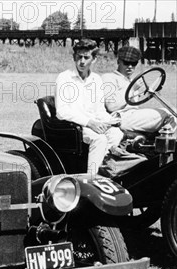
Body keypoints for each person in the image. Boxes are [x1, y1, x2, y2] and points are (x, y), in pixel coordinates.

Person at [55, 39, 123, 176]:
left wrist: (110, 120)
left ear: (94, 59)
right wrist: (90, 123)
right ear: (74, 57)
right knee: (100, 139)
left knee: (117, 133)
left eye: (86, 57)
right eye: (79, 57)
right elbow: (62, 112)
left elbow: (99, 110)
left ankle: (104, 171)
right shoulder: (64, 78)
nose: (82, 61)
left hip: (92, 124)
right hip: (73, 127)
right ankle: (91, 179)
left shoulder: (96, 79)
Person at [102, 45, 176, 135]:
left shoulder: (131, 80)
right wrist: (132, 89)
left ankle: (162, 141)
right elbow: (111, 106)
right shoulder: (109, 78)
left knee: (173, 112)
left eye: (133, 64)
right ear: (118, 61)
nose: (130, 67)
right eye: (126, 63)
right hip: (120, 118)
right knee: (167, 113)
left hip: (133, 115)